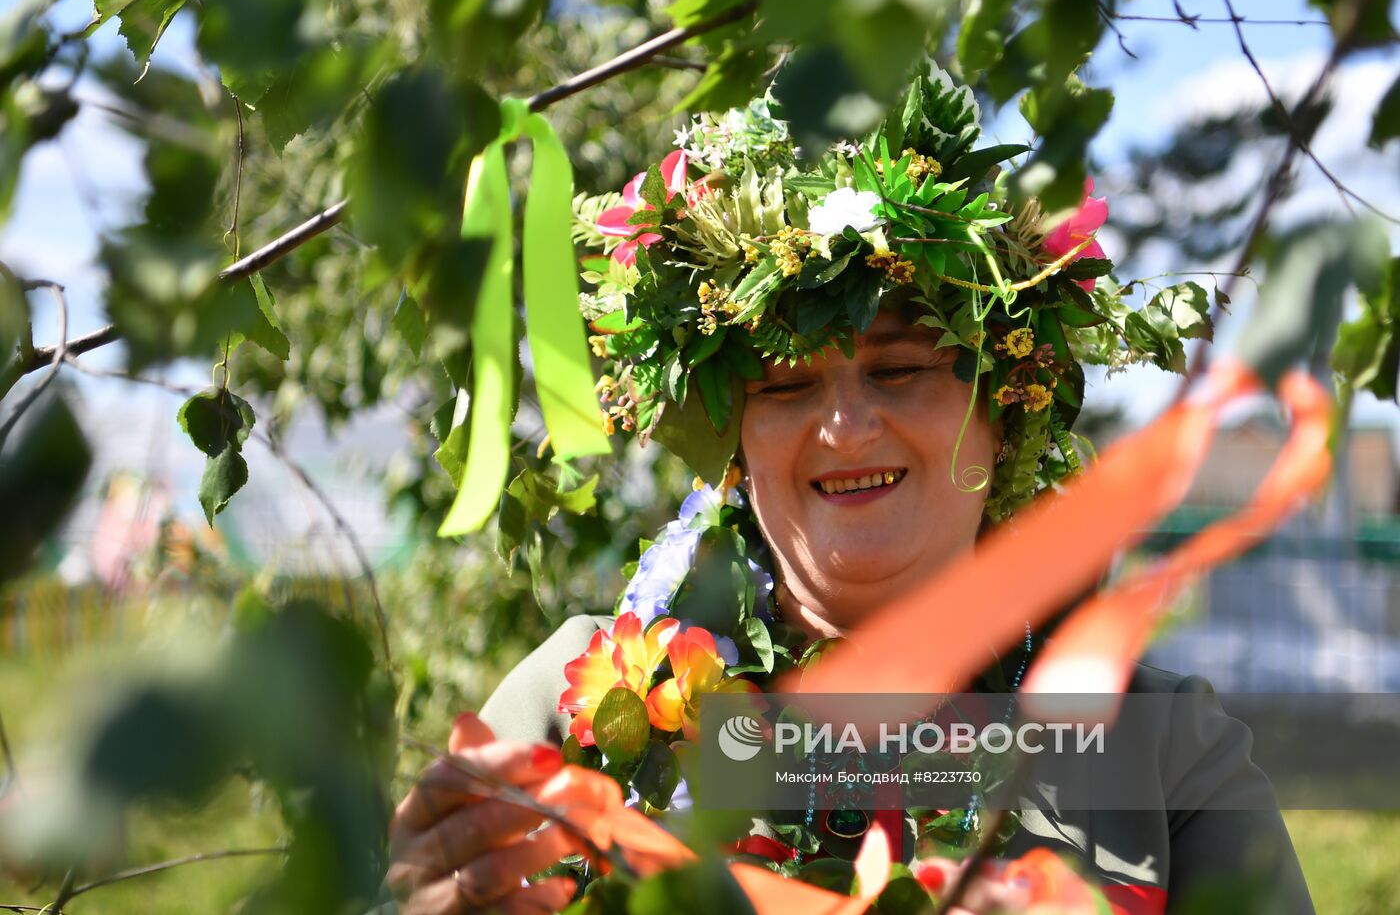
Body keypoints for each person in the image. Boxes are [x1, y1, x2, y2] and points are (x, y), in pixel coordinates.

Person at [386, 64, 1315, 914]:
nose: (844, 427)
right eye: (785, 386)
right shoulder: (572, 701)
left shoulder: (1161, 747)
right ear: (735, 442)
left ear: (1003, 409)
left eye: (899, 369)